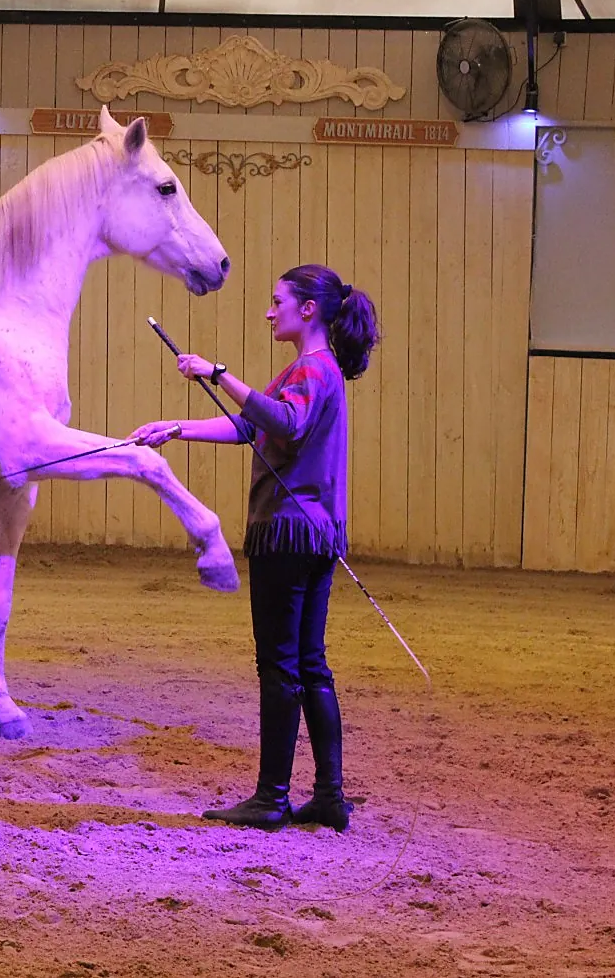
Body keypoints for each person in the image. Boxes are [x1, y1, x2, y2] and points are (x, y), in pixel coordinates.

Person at [130, 264, 380, 831]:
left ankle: (271, 798)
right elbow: (253, 426)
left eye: (277, 302)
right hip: (316, 534)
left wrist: (219, 373)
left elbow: (285, 423)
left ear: (308, 309)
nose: (270, 312)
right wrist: (176, 428)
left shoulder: (312, 371)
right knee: (311, 664)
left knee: (280, 666)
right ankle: (329, 797)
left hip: (287, 534)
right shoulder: (313, 370)